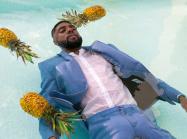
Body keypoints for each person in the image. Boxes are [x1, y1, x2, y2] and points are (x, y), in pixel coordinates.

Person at [38, 20, 187, 139]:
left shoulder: (103, 51)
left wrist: (180, 97)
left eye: (72, 28)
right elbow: (47, 106)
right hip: (103, 122)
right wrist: (50, 135)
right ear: (55, 42)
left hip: (136, 113)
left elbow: (143, 76)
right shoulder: (53, 66)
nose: (70, 30)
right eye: (62, 30)